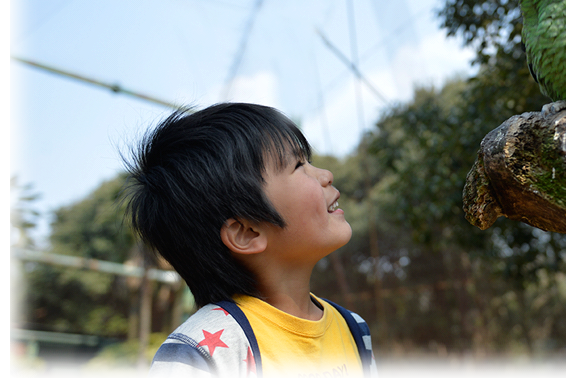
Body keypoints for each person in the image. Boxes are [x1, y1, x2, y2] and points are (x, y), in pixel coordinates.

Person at [123, 102, 378, 378]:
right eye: (298, 165)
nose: (326, 176)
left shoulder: (353, 329)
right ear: (247, 233)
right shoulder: (202, 352)